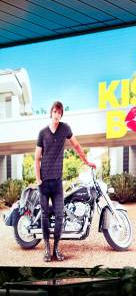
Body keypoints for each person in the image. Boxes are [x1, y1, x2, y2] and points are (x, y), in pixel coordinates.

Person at [35, 101, 96, 262]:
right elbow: (37, 158)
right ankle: (47, 249)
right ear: (51, 113)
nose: (57, 115)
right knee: (45, 216)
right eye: (55, 112)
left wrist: (86, 161)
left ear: (61, 115)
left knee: (60, 216)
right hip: (44, 183)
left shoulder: (65, 129)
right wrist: (38, 179)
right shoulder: (42, 133)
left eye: (59, 113)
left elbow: (76, 145)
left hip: (57, 183)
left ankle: (56, 249)